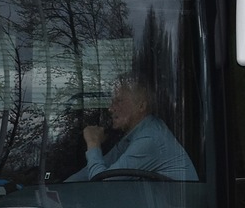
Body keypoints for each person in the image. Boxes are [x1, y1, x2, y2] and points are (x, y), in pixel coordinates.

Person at [66, 75, 197, 182]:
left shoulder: (149, 139)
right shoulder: (136, 133)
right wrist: (65, 187)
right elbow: (100, 167)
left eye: (119, 101)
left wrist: (93, 144)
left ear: (141, 106)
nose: (111, 109)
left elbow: (103, 184)